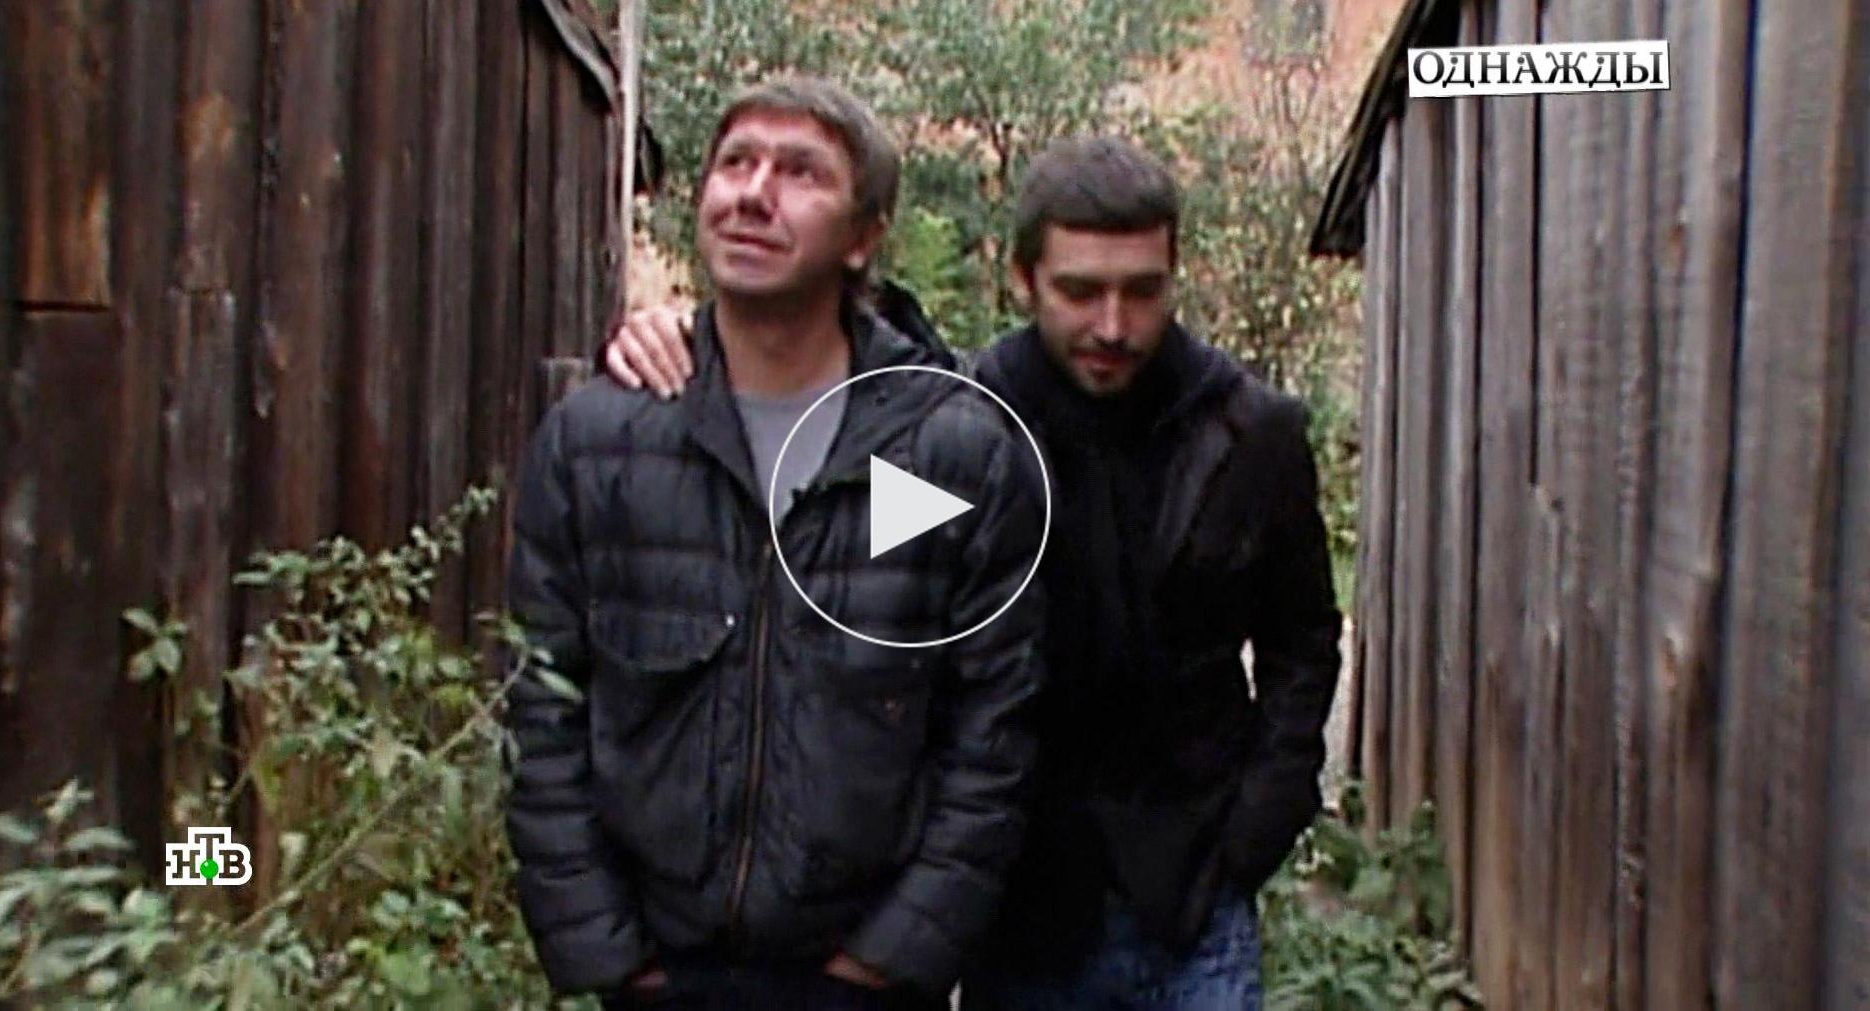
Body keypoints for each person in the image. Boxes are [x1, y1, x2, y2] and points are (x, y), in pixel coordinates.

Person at [606, 135, 1343, 1011]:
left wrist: (1261, 819)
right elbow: (844, 580)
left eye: (1142, 291)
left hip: (1192, 901)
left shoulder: (1250, 434)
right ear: (1024, 278)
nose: (1113, 326)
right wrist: (685, 340)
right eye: (1080, 292)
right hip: (1019, 905)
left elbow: (1304, 643)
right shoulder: (960, 427)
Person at [504, 76, 1047, 1011]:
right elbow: (542, 708)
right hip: (660, 973)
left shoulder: (952, 450)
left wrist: (897, 951)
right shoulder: (598, 440)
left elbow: (993, 733)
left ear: (864, 236)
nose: (754, 193)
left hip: (864, 979)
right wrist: (606, 949)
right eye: (735, 163)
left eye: (801, 173)